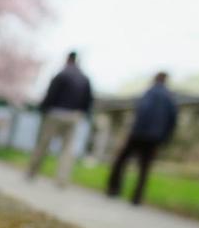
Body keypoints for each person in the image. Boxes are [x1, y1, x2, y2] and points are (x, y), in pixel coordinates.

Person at [107, 72, 177, 205]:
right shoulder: (169, 97)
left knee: (121, 160)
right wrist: (164, 138)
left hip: (139, 134)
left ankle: (113, 189)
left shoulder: (149, 92)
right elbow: (172, 120)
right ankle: (137, 197)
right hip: (155, 138)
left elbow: (142, 111)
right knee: (145, 168)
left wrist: (133, 131)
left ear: (155, 79)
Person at [27, 51, 93, 186]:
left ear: (68, 59)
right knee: (67, 149)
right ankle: (62, 179)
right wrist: (82, 114)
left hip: (55, 113)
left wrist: (43, 109)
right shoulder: (85, 78)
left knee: (43, 143)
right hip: (73, 116)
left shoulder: (61, 75)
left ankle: (32, 171)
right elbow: (88, 100)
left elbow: (50, 95)